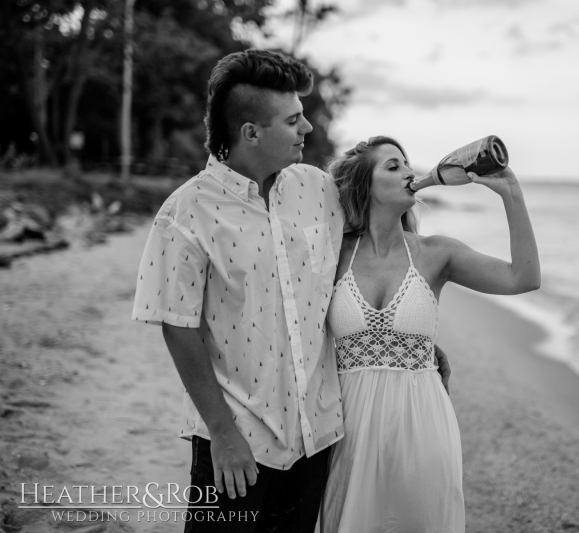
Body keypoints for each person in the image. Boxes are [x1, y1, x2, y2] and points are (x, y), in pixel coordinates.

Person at [131, 51, 450, 532]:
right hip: (238, 440)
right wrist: (222, 433)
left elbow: (365, 251)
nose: (306, 129)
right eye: (293, 120)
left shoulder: (317, 189)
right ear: (251, 133)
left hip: (316, 438)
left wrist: (410, 334)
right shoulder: (186, 212)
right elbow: (178, 328)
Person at [320, 136, 541, 533]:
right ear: (364, 186)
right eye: (393, 166)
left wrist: (511, 193)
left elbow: (522, 277)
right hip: (348, 430)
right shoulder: (331, 254)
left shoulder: (436, 253)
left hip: (422, 425)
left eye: (407, 163)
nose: (409, 171)